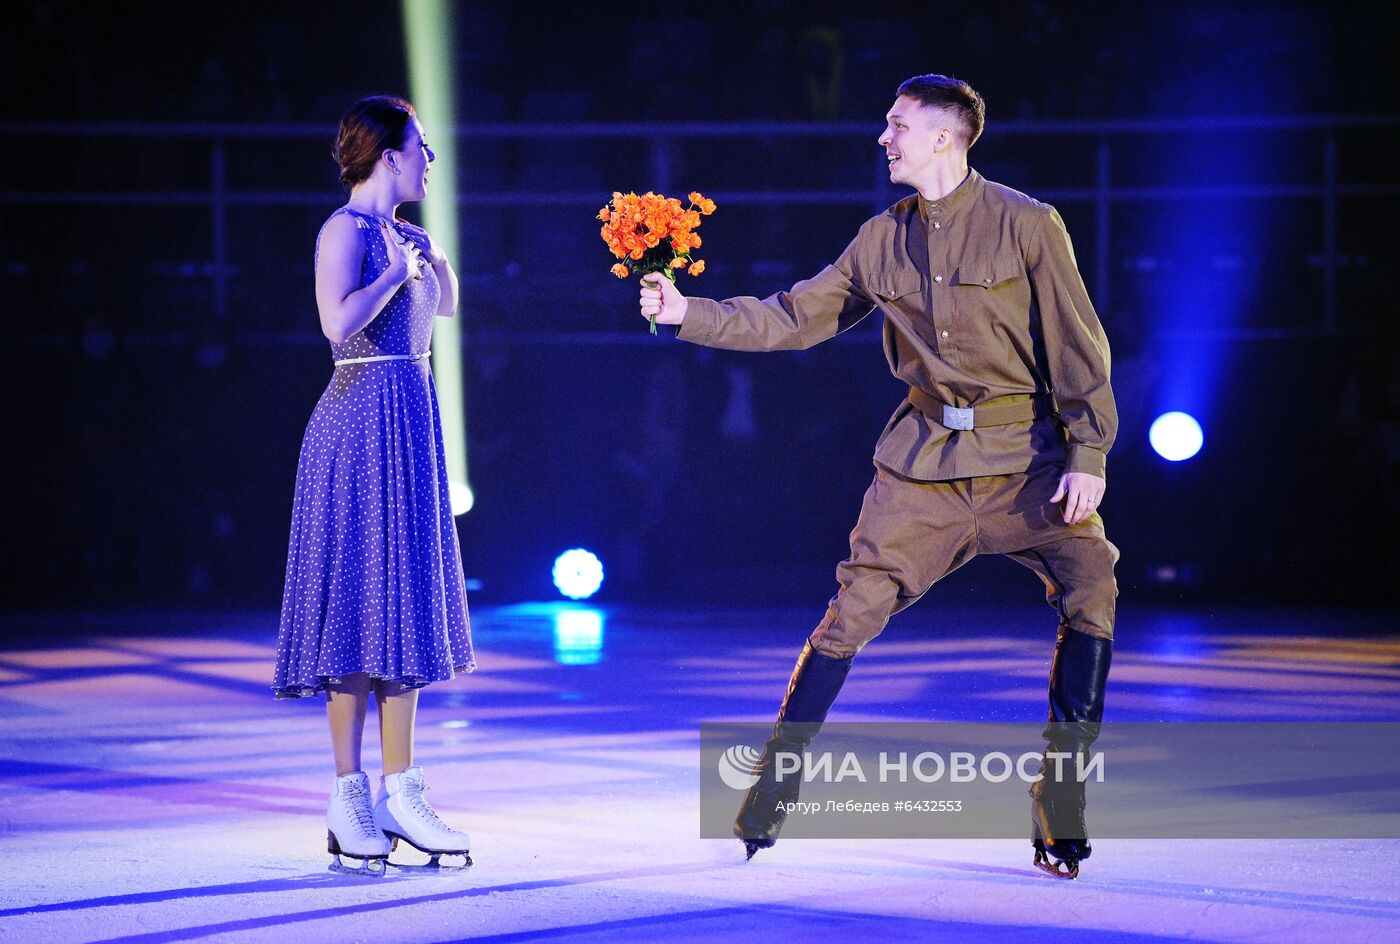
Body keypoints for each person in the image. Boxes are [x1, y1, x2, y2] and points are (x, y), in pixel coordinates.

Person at [639, 74, 1117, 878]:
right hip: (923, 467)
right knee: (850, 613)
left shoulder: (1029, 224)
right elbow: (797, 317)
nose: (883, 137)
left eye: (898, 125)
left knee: (1092, 583)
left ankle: (1059, 799)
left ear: (946, 136)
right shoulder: (880, 238)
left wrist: (1089, 453)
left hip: (1025, 462)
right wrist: (689, 313)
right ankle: (772, 792)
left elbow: (1079, 343)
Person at [272, 95, 475, 876]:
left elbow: (445, 309)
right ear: (388, 155)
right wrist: (393, 271)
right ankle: (348, 795)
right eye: (423, 145)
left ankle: (403, 789)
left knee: (406, 606)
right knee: (358, 603)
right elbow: (336, 322)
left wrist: (434, 267)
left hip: (410, 425)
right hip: (355, 426)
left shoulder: (411, 235)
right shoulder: (344, 231)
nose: (432, 159)